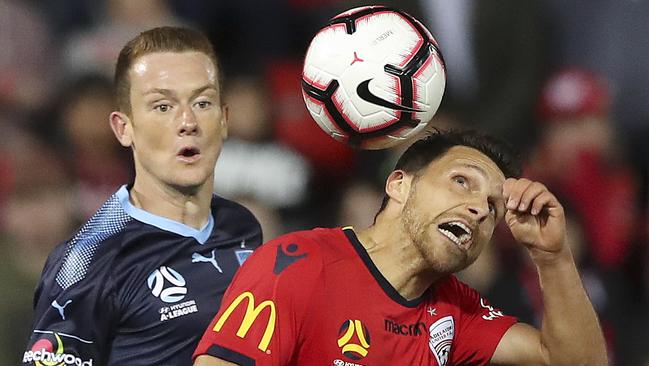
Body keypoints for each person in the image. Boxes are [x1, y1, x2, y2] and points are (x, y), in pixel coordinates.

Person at [193, 130, 607, 365]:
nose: (480, 208)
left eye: (494, 207)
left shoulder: (456, 312)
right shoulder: (299, 265)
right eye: (462, 181)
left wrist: (552, 257)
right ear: (399, 184)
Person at [23, 26, 263, 365]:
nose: (187, 121)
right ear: (124, 127)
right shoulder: (86, 261)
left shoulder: (241, 227)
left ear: (224, 120)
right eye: (163, 106)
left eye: (202, 102)